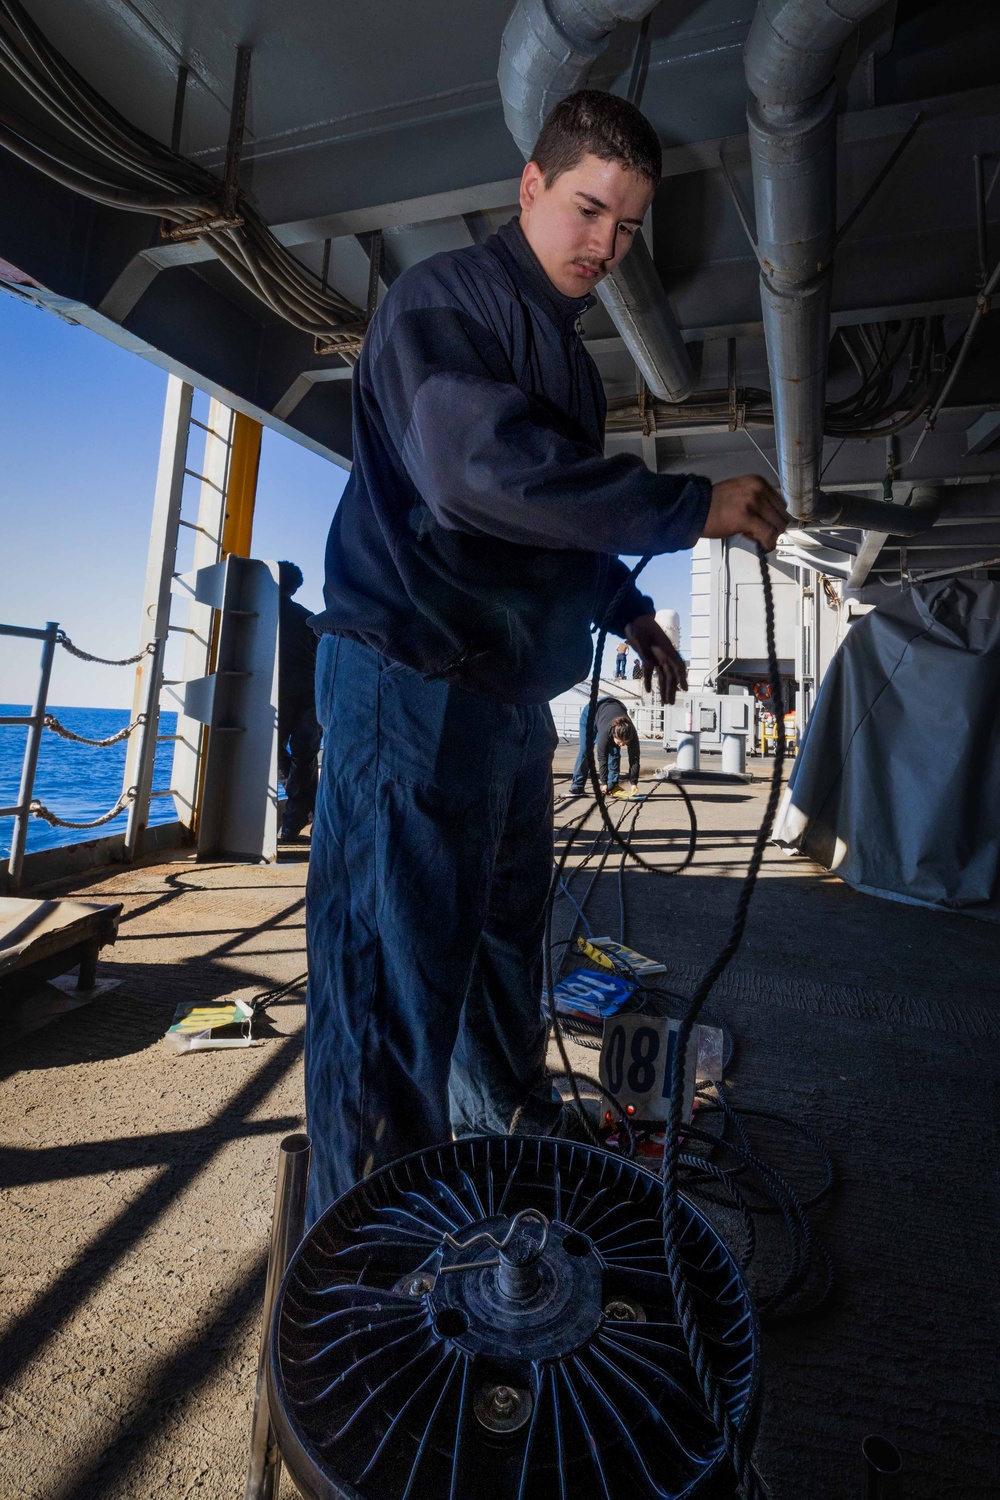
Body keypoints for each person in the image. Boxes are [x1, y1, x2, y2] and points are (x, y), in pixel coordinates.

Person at [304, 88, 788, 1218]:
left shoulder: (569, 366)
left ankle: (494, 1127)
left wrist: (628, 612)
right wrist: (685, 506)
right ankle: (375, 1254)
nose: (605, 247)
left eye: (626, 227)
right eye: (586, 211)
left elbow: (537, 532)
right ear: (530, 186)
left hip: (506, 699)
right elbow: (475, 476)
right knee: (390, 984)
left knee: (495, 943)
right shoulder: (443, 304)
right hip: (407, 684)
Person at [276, 561, 321, 841]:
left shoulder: (260, 614)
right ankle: (302, 815)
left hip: (277, 694)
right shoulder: (308, 618)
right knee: (305, 756)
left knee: (273, 752)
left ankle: (297, 816)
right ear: (294, 588)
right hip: (311, 693)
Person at [569, 698, 640, 795]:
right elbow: (602, 757)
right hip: (591, 712)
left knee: (614, 752)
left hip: (612, 710)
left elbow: (634, 759)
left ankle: (612, 786)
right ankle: (577, 785)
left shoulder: (632, 734)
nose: (621, 745)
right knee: (585, 750)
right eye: (619, 742)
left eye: (625, 743)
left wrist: (633, 783)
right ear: (614, 735)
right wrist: (603, 782)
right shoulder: (606, 733)